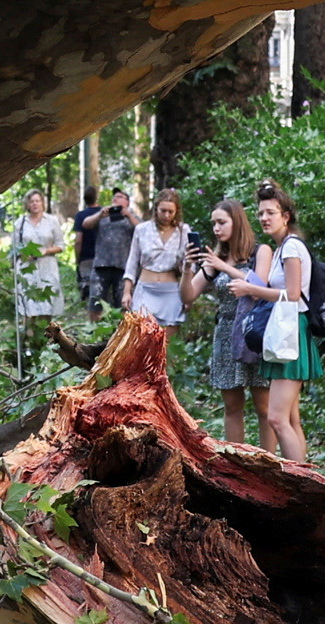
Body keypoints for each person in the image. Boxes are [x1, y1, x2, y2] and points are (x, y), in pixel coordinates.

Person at [221, 181, 319, 466]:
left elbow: (293, 295)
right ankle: (305, 477)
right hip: (284, 332)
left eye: (271, 213)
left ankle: (301, 480)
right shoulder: (281, 248)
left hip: (291, 332)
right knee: (290, 418)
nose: (264, 218)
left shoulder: (291, 248)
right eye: (261, 213)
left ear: (285, 216)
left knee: (277, 418)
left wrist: (250, 289)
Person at [194, 199, 262, 442]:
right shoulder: (216, 258)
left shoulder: (258, 252)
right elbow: (188, 295)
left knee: (264, 407)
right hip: (225, 333)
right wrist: (186, 268)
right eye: (214, 223)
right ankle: (236, 458)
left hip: (254, 331)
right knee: (232, 406)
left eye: (221, 222)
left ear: (237, 222)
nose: (216, 228)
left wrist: (222, 266)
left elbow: (259, 287)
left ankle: (269, 461)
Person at [11, 187, 72, 349]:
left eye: (38, 201)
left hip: (47, 269)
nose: (35, 204)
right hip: (27, 269)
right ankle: (29, 344)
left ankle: (46, 342)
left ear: (43, 203)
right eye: (32, 201)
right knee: (28, 307)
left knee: (47, 306)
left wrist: (45, 251)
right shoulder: (20, 223)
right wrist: (25, 253)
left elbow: (61, 245)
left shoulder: (51, 221)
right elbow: (15, 248)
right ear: (27, 204)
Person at [126, 188, 194, 327]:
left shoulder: (183, 231)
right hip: (145, 289)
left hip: (170, 291)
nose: (166, 215)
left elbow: (190, 264)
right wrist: (127, 292)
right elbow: (132, 262)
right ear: (156, 209)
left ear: (176, 212)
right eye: (163, 211)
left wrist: (188, 296)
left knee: (168, 337)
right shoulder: (142, 229)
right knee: (141, 333)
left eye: (171, 212)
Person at [81, 185, 134, 314]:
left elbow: (143, 230)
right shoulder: (103, 214)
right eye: (114, 196)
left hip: (123, 267)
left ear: (127, 202)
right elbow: (85, 224)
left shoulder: (131, 216)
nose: (115, 198)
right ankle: (95, 326)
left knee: (123, 305)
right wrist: (100, 215)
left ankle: (122, 327)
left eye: (120, 197)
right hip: (101, 266)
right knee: (95, 302)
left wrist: (129, 215)